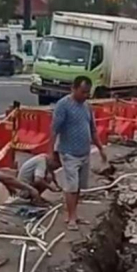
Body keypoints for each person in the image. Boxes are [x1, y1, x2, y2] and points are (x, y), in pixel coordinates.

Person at [50, 76, 107, 231]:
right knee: (72, 186)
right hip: (68, 152)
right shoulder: (63, 105)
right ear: (73, 89)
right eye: (83, 92)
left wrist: (100, 149)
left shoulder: (87, 107)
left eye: (88, 93)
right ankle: (71, 217)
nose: (85, 95)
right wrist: (51, 151)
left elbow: (93, 130)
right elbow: (54, 130)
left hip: (84, 153)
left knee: (79, 186)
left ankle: (73, 214)